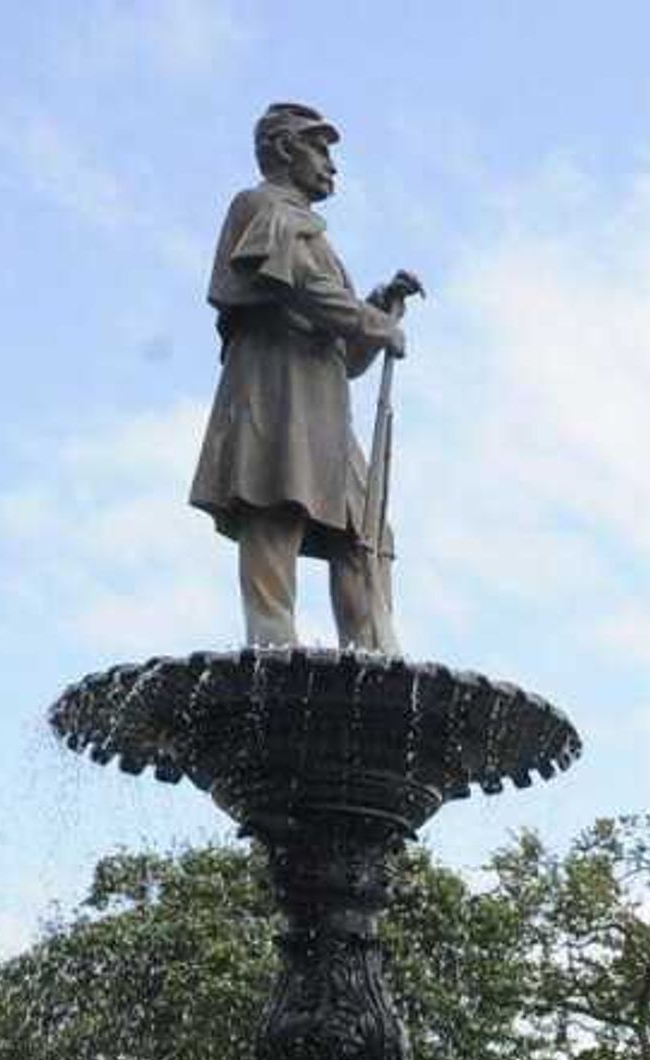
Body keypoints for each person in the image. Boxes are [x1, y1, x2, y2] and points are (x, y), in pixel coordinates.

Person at [191, 102, 420, 653]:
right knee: (274, 505)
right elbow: (300, 290)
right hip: (275, 391)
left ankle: (372, 658)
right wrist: (369, 320)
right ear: (287, 150)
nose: (332, 166)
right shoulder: (262, 206)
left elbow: (343, 353)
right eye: (321, 150)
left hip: (322, 405)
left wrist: (376, 313)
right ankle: (271, 648)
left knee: (364, 533)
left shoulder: (314, 234)